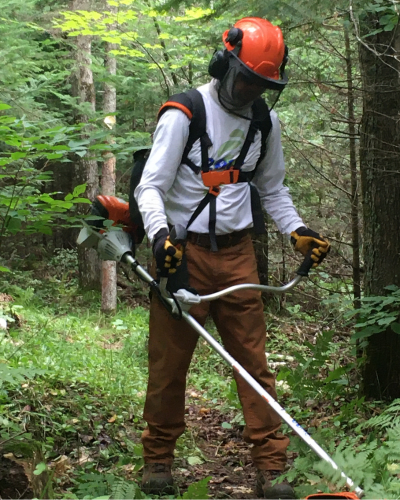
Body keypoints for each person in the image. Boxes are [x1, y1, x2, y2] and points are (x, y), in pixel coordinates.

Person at [134, 17, 330, 499]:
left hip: (239, 254)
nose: (249, 92)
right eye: (244, 80)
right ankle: (158, 460)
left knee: (253, 365)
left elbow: (273, 188)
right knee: (168, 364)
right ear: (223, 64)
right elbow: (150, 186)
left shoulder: (265, 121)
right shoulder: (185, 112)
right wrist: (159, 238)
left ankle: (271, 466)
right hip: (183, 253)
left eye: (261, 85)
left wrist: (297, 230)